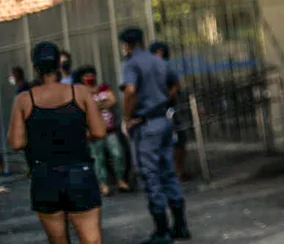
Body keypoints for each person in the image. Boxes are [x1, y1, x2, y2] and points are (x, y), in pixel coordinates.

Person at [7, 42, 106, 244]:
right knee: (91, 240)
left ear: (34, 68)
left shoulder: (24, 100)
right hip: (80, 172)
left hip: (44, 177)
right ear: (59, 64)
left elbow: (16, 142)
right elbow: (99, 131)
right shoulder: (79, 93)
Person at [120, 28, 190, 243]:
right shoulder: (158, 61)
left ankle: (162, 231)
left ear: (126, 44)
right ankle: (180, 226)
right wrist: (163, 99)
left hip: (146, 124)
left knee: (150, 175)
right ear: (142, 41)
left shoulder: (131, 63)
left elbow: (130, 91)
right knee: (168, 172)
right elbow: (176, 84)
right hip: (163, 121)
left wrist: (127, 118)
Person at [79, 66, 130, 196]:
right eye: (86, 75)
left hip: (110, 129)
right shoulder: (82, 92)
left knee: (117, 154)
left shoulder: (103, 88)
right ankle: (104, 185)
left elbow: (112, 101)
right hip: (94, 133)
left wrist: (95, 107)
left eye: (91, 74)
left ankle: (121, 180)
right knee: (99, 159)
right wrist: (102, 103)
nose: (90, 77)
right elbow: (84, 109)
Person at [149, 42, 189, 183]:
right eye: (156, 53)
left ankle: (179, 171)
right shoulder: (148, 70)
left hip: (170, 110)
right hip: (155, 112)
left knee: (178, 140)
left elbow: (176, 85)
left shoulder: (167, 68)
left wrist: (166, 97)